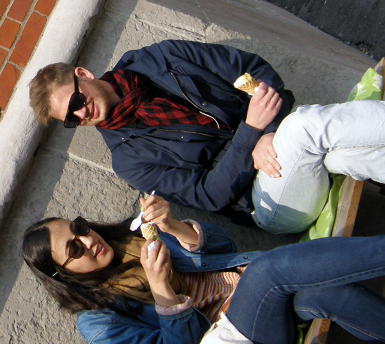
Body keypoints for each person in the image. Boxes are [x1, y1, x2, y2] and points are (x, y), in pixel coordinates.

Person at [29, 40, 385, 233]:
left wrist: (268, 131)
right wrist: (251, 134)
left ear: (83, 74)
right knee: (303, 126)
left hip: (289, 152)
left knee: (343, 155)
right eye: (71, 119)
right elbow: (209, 196)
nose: (81, 113)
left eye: (76, 101)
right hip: (269, 202)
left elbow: (250, 69)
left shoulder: (160, 58)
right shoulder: (129, 161)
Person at [22, 194, 385, 344]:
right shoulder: (97, 322)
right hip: (226, 335)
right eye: (74, 248)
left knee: (324, 292)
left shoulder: (131, 238)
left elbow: (227, 249)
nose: (88, 240)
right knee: (267, 271)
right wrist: (163, 292)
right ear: (63, 275)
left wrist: (176, 227)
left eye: (80, 228)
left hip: (255, 305)